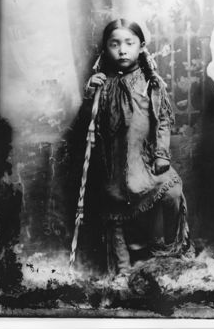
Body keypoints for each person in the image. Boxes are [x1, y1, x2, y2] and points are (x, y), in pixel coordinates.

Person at [82, 19, 191, 278]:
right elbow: (89, 123)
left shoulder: (150, 82)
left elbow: (163, 119)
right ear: (105, 49)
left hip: (144, 160)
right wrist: (90, 93)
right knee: (115, 213)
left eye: (129, 43)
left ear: (141, 47)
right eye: (115, 44)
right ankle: (121, 270)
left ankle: (171, 251)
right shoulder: (102, 84)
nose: (122, 50)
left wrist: (161, 155)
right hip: (115, 164)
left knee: (172, 191)